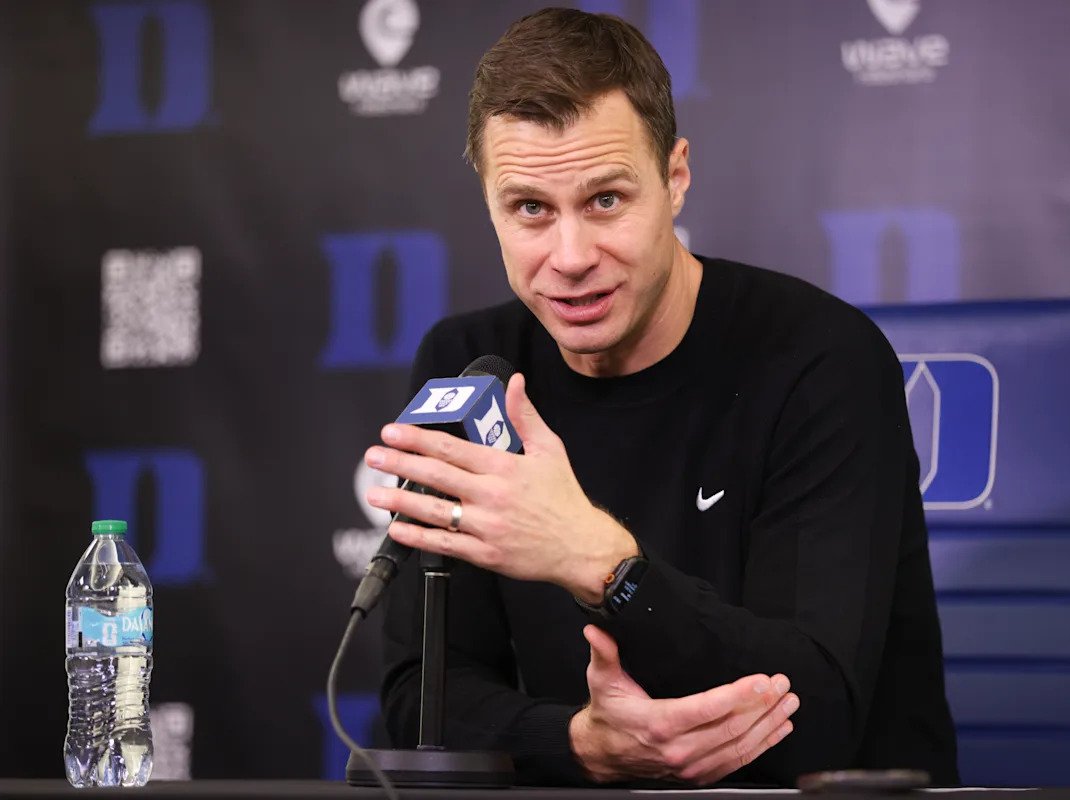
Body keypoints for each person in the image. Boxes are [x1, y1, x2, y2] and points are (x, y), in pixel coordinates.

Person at [365, 7, 958, 787]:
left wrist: (601, 563)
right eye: (530, 209)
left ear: (674, 178)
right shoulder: (471, 370)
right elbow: (421, 697)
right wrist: (579, 744)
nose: (570, 257)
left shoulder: (818, 359)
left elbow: (813, 710)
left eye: (605, 200)